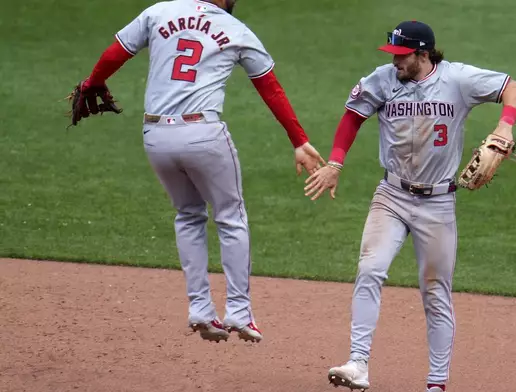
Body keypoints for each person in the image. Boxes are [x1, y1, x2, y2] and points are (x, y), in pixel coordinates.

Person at [71, 0, 325, 344]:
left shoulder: (158, 12)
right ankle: (238, 311)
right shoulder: (237, 31)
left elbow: (116, 53)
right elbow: (270, 88)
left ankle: (200, 310)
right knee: (231, 217)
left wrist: (91, 83)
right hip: (203, 136)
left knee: (188, 215)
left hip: (156, 137)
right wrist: (298, 139)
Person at [304, 20, 516, 391]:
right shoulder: (383, 79)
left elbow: (512, 88)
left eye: (402, 55)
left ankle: (436, 384)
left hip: (437, 203)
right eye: (392, 55)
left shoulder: (458, 80)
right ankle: (358, 363)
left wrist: (505, 126)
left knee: (435, 292)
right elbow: (353, 116)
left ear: (423, 54)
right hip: (391, 195)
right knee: (370, 270)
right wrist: (336, 162)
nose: (395, 62)